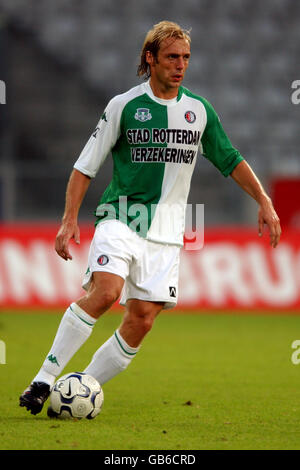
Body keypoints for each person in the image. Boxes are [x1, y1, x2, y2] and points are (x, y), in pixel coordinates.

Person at [19, 20, 281, 415]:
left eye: (186, 58)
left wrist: (263, 199)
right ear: (150, 58)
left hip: (168, 232)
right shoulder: (123, 106)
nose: (180, 65)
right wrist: (69, 218)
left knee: (141, 320)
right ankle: (42, 380)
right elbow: (85, 166)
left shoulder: (198, 111)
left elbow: (230, 159)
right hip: (120, 217)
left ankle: (81, 387)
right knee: (106, 293)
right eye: (172, 57)